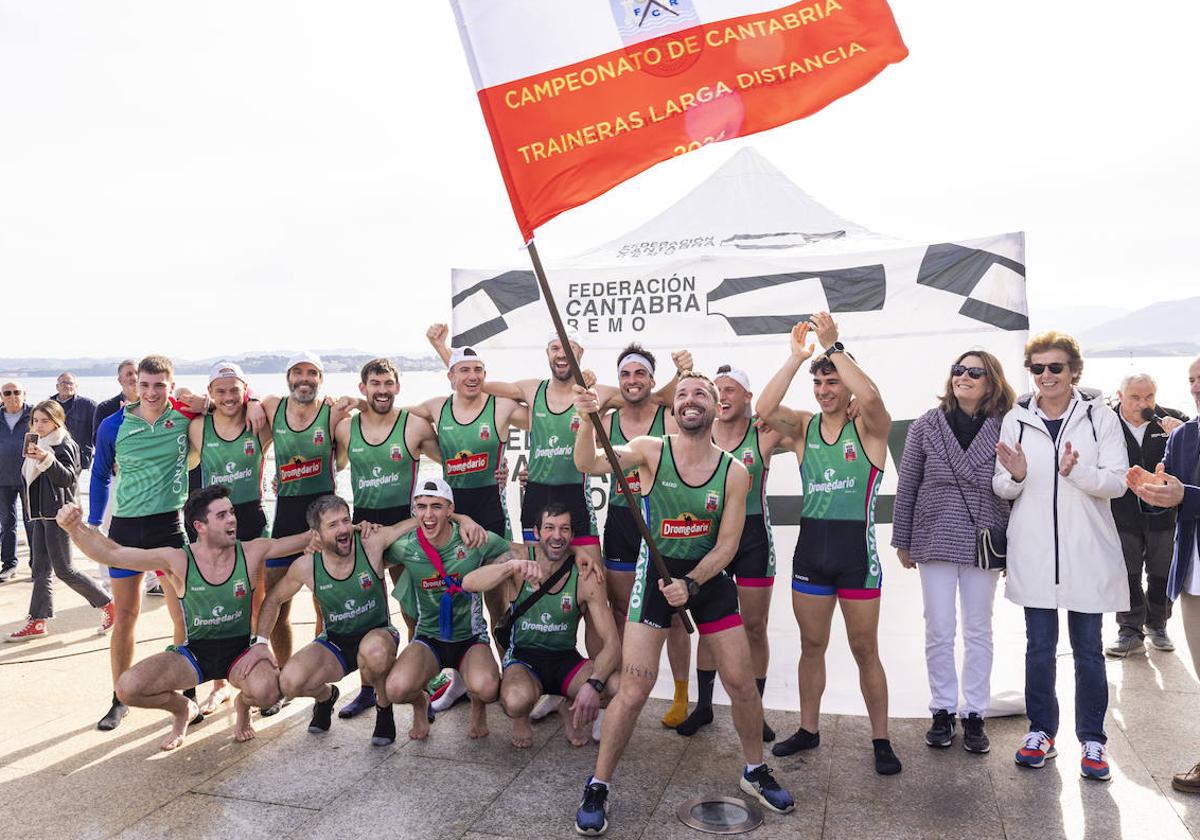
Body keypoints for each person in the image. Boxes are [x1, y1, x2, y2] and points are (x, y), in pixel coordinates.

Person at [572, 373, 794, 835]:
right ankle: (598, 785)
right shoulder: (651, 450)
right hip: (654, 575)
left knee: (743, 684)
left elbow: (728, 546)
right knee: (633, 689)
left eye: (702, 394)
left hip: (706, 578)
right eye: (684, 394)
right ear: (673, 408)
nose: (691, 399)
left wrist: (692, 584)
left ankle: (755, 770)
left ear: (715, 408)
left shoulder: (734, 470)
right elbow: (590, 464)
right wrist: (586, 417)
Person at [56, 487, 314, 749]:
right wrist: (74, 528)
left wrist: (348, 528)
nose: (232, 519)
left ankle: (243, 704)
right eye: (222, 515)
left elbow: (302, 539)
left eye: (232, 512)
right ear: (200, 526)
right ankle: (182, 709)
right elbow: (112, 554)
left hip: (240, 654)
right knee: (127, 688)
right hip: (193, 655)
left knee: (270, 692)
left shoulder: (251, 551)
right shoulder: (177, 559)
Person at [756, 315, 901, 775]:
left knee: (864, 650)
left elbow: (874, 398)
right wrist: (797, 358)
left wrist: (835, 347)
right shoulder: (801, 427)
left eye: (832, 381)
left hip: (857, 559)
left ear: (849, 384)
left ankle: (880, 738)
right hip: (812, 556)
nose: (823, 389)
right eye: (818, 382)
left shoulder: (870, 428)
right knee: (811, 644)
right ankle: (808, 728)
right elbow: (763, 408)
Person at [993, 331, 1129, 781]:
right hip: (1034, 551)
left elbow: (1117, 482)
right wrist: (1016, 476)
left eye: (1056, 367)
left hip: (1086, 551)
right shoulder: (1016, 418)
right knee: (1039, 648)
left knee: (1089, 650)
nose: (1046, 375)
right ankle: (1041, 732)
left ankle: (1093, 740)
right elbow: (1002, 485)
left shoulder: (1100, 418)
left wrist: (1078, 472)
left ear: (1074, 371)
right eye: (1038, 368)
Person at [891, 351, 1016, 754]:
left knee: (979, 628)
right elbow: (908, 483)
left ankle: (975, 712)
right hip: (934, 535)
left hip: (984, 534)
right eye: (958, 370)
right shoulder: (927, 424)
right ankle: (943, 708)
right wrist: (903, 539)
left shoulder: (1007, 425)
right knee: (939, 627)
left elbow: (1018, 488)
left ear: (990, 380)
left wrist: (1017, 549)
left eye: (974, 372)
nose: (963, 376)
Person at [676, 364, 790, 742]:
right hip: (712, 539)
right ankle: (704, 706)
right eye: (718, 389)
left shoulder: (765, 433)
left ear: (747, 397)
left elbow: (809, 427)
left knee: (754, 626)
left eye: (731, 389)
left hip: (753, 539)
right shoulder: (698, 434)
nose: (723, 396)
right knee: (711, 625)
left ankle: (754, 711)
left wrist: (851, 407)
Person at [88, 356, 202, 731]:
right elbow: (101, 475)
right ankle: (119, 697)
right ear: (135, 384)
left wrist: (202, 401)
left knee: (181, 615)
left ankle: (188, 691)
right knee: (126, 616)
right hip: (125, 531)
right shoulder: (113, 424)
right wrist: (93, 523)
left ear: (171, 385)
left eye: (159, 385)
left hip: (169, 529)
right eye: (145, 384)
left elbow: (226, 412)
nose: (151, 392)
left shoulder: (185, 419)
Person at [234, 495, 402, 746]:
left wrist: (461, 520)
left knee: (374, 652)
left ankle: (383, 707)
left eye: (346, 520)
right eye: (332, 525)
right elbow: (273, 599)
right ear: (316, 534)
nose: (343, 528)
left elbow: (412, 524)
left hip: (379, 634)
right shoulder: (306, 565)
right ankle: (326, 697)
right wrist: (260, 643)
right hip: (336, 641)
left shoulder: (370, 542)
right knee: (289, 681)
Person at [463, 501, 621, 749]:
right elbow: (469, 582)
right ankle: (521, 717)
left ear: (572, 534)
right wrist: (509, 568)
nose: (557, 536)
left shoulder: (586, 573)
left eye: (564, 529)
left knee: (615, 685)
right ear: (536, 532)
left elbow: (612, 644)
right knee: (515, 700)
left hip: (565, 659)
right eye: (549, 528)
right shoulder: (519, 557)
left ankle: (563, 703)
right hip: (523, 659)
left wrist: (593, 684)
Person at [333, 357, 441, 719]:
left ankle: (420, 681)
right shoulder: (347, 429)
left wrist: (499, 472)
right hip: (365, 529)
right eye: (374, 384)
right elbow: (327, 467)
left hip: (405, 526)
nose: (382, 390)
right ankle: (368, 689)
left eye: (387, 384)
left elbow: (453, 467)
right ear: (362, 388)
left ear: (398, 386)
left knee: (414, 612)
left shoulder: (414, 426)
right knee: (369, 615)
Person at [596, 345, 691, 729]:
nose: (633, 381)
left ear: (652, 380)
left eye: (641, 374)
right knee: (621, 609)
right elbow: (591, 400)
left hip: (661, 525)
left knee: (675, 614)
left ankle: (681, 695)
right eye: (626, 375)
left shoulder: (667, 417)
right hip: (620, 520)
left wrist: (679, 378)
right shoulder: (606, 417)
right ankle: (620, 696)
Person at [382, 478, 514, 741]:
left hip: (470, 638)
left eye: (436, 507)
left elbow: (512, 552)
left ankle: (477, 704)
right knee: (395, 689)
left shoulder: (473, 538)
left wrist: (502, 569)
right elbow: (368, 552)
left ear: (449, 510)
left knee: (487, 688)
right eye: (421, 507)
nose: (428, 515)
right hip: (429, 637)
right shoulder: (406, 545)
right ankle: (421, 704)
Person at [256, 352, 353, 704]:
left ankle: (316, 673)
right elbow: (244, 413)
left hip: (324, 514)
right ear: (288, 377)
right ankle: (282, 676)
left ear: (321, 380)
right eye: (298, 372)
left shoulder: (332, 412)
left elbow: (344, 455)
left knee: (323, 602)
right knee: (277, 602)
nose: (304, 378)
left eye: (312, 373)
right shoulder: (270, 406)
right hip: (286, 517)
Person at [1126, 354, 1200, 794]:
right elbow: (1170, 497)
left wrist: (1183, 496)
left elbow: (1186, 497)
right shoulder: (1186, 436)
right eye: (1192, 379)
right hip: (1193, 580)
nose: (1196, 386)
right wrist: (1151, 492)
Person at [186, 361, 270, 716]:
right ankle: (220, 684)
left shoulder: (259, 424)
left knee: (256, 602)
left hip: (250, 516)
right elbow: (176, 399)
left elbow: (278, 405)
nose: (228, 397)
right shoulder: (199, 427)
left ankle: (260, 677)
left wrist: (256, 403)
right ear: (210, 394)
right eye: (220, 391)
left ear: (245, 390)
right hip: (214, 522)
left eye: (235, 390)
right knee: (215, 604)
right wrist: (192, 399)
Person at [7, 400, 113, 640]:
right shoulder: (35, 442)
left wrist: (46, 459)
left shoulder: (64, 444)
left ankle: (107, 603)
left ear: (57, 421)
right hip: (40, 514)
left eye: (45, 421)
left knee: (65, 570)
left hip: (59, 516)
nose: (39, 425)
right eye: (35, 420)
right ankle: (37, 621)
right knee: (40, 570)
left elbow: (67, 479)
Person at [1105, 373, 1187, 657]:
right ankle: (1128, 630)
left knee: (1161, 573)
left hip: (1163, 515)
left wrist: (1185, 433)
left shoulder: (1173, 420)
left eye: (1149, 397)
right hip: (1121, 513)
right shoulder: (1106, 422)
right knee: (1126, 573)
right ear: (1120, 395)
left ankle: (1159, 625)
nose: (1144, 403)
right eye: (1135, 397)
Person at [0, 381, 34, 582]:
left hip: (28, 479)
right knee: (7, 523)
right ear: (1, 396)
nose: (12, 396)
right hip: (2, 479)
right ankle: (9, 565)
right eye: (7, 393)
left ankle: (37, 566)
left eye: (17, 392)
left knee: (32, 524)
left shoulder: (34, 415)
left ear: (24, 394)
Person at [51, 372, 97, 470]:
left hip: (80, 459)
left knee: (74, 485)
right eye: (63, 383)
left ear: (76, 386)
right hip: (53, 457)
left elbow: (99, 431)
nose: (67, 386)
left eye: (70, 383)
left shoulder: (88, 405)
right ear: (57, 386)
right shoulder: (48, 406)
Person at [92, 360, 138, 433]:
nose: (135, 377)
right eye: (129, 374)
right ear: (120, 380)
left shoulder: (151, 405)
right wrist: (120, 418)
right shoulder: (104, 408)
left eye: (137, 373)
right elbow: (98, 440)